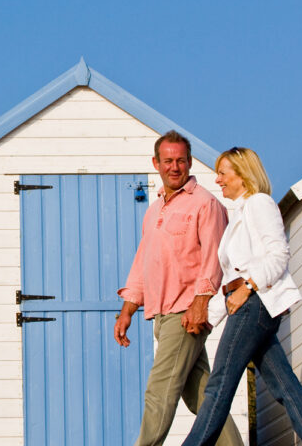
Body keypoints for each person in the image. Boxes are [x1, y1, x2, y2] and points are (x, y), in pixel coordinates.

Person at [181, 147, 302, 446]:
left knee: (219, 385)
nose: (218, 179)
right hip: (248, 304)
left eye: (223, 173)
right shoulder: (238, 214)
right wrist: (207, 317)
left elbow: (279, 255)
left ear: (243, 174)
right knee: (286, 389)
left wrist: (248, 287)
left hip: (256, 304)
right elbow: (229, 282)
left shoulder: (259, 204)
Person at [114, 131, 243, 446]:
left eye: (181, 161)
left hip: (187, 313)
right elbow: (144, 262)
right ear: (156, 163)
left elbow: (215, 257)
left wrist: (201, 303)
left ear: (189, 162)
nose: (175, 167)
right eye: (168, 161)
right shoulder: (155, 210)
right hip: (162, 313)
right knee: (202, 396)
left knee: (159, 390)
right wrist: (128, 309)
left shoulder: (205, 204)